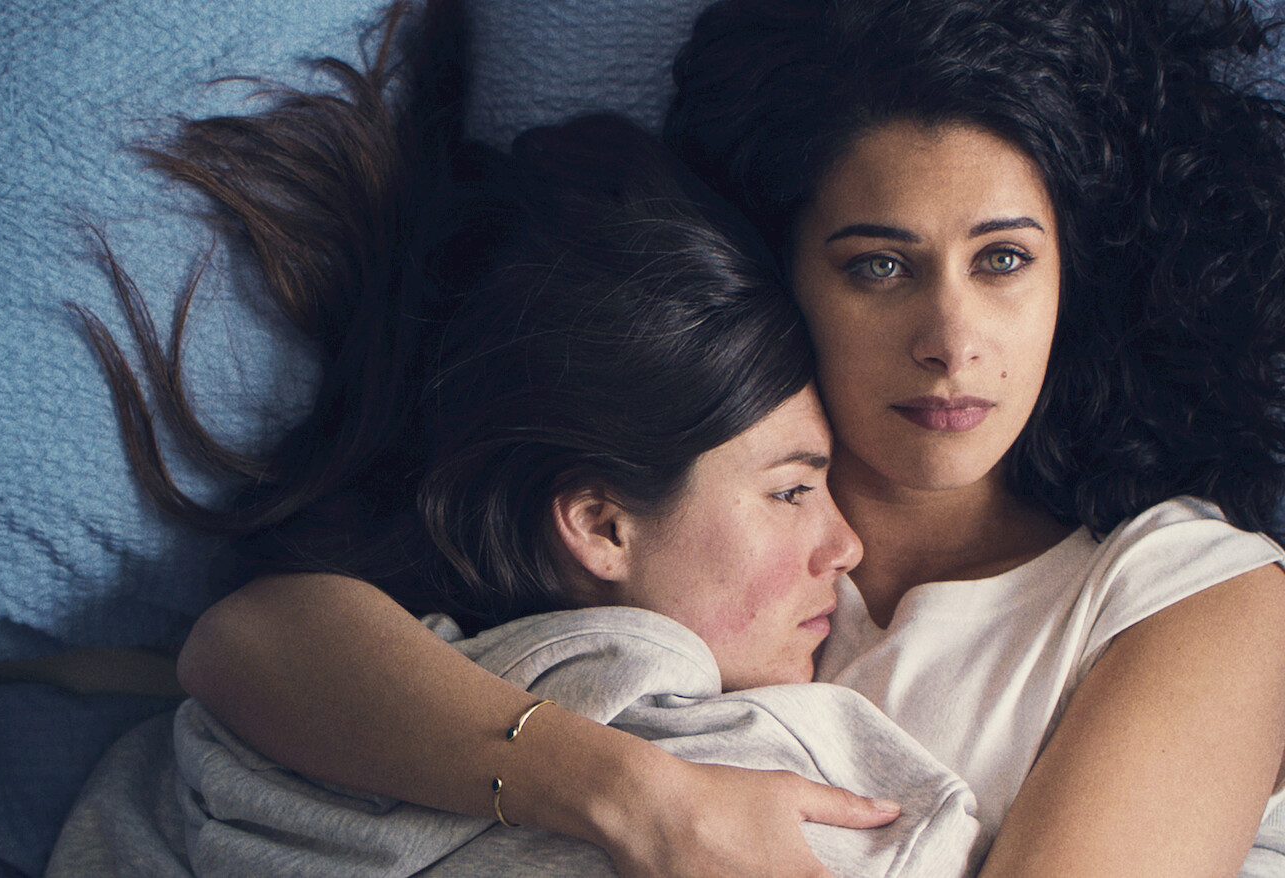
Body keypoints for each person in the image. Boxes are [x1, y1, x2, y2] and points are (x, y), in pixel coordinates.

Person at [173, 0, 1285, 876]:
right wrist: (642, 802)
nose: (952, 342)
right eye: (879, 265)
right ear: (787, 266)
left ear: (1068, 275)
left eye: (1003, 260)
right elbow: (249, 642)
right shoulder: (678, 492)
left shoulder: (1195, 593)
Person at [46, 4, 979, 874]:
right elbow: (244, 639)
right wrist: (647, 799)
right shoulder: (712, 740)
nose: (846, 546)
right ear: (602, 525)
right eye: (791, 489)